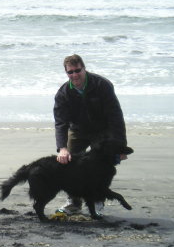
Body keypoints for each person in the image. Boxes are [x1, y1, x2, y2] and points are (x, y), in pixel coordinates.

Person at [53, 54, 128, 215]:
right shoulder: (63, 93)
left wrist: (120, 146)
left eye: (77, 70)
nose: (74, 75)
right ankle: (74, 202)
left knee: (101, 167)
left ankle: (98, 200)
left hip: (102, 131)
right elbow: (60, 123)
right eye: (70, 72)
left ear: (84, 68)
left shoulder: (102, 85)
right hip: (78, 130)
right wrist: (62, 148)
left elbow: (115, 116)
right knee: (69, 164)